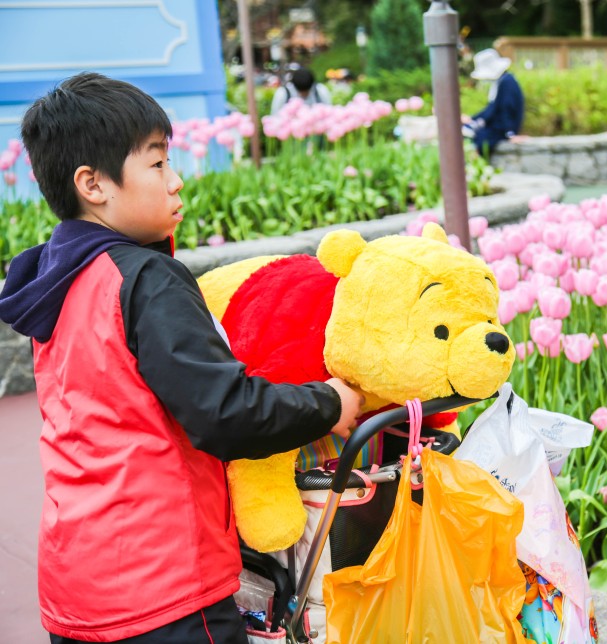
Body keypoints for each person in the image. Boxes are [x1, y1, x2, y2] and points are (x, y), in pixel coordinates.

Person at [0, 72, 364, 643]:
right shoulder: (145, 279)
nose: (176, 181)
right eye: (157, 164)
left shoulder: (57, 281)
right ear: (93, 184)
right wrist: (328, 401)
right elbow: (225, 412)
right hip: (164, 589)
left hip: (77, 588)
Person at [461, 48, 524, 158]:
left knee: (475, 138)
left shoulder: (507, 83)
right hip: (497, 127)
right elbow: (491, 109)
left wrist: (510, 134)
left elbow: (507, 109)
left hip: (500, 130)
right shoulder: (502, 82)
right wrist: (473, 119)